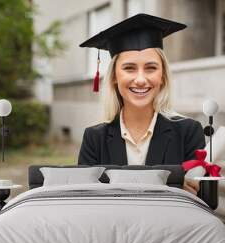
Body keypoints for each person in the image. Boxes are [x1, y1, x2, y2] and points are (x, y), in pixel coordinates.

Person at [77, 14, 205, 195]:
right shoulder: (94, 139)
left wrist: (197, 192)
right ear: (114, 77)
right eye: (129, 68)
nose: (140, 79)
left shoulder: (188, 132)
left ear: (163, 76)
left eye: (151, 68)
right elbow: (84, 201)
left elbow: (207, 204)